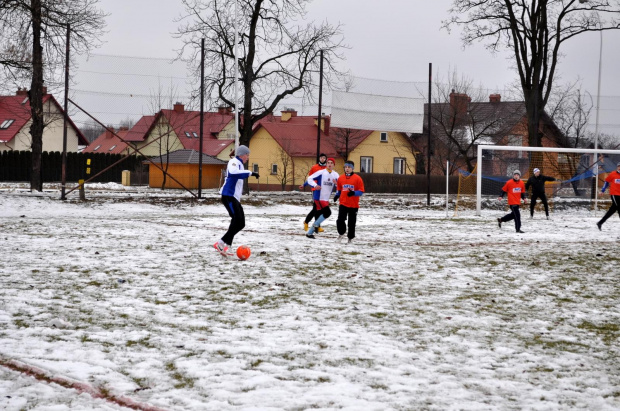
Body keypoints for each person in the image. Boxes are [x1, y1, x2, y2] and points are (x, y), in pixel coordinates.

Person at [214, 145, 259, 256]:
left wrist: (248, 173)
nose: (248, 157)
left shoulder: (240, 165)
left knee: (241, 223)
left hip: (234, 198)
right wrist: (251, 173)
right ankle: (221, 243)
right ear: (242, 154)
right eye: (247, 155)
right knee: (236, 219)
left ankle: (226, 245)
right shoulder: (234, 162)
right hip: (228, 195)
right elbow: (234, 173)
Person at [305, 157, 339, 238]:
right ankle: (315, 225)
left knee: (320, 213)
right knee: (327, 212)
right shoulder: (321, 172)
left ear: (334, 165)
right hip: (319, 197)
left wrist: (337, 183)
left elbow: (340, 185)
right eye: (328, 163)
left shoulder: (336, 174)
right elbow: (309, 178)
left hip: (326, 198)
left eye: (331, 163)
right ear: (326, 164)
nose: (330, 164)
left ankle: (310, 232)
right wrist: (315, 185)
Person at [334, 160, 365, 244]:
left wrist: (354, 193)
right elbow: (339, 189)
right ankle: (341, 233)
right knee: (340, 220)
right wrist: (337, 195)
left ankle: (350, 238)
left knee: (351, 223)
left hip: (353, 205)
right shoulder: (341, 178)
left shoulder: (357, 178)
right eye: (346, 167)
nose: (347, 169)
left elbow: (361, 191)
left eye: (349, 167)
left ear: (352, 168)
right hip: (343, 203)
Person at [299, 153, 327, 232]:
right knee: (316, 208)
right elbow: (310, 179)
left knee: (319, 209)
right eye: (321, 158)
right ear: (319, 159)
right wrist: (304, 185)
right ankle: (307, 222)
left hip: (323, 190)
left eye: (324, 158)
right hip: (315, 190)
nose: (322, 159)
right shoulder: (314, 167)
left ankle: (315, 225)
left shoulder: (326, 168)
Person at [596, 161, 620, 231]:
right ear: (617, 167)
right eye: (619, 166)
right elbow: (606, 182)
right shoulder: (613, 174)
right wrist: (603, 190)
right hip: (614, 194)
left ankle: (600, 222)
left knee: (612, 210)